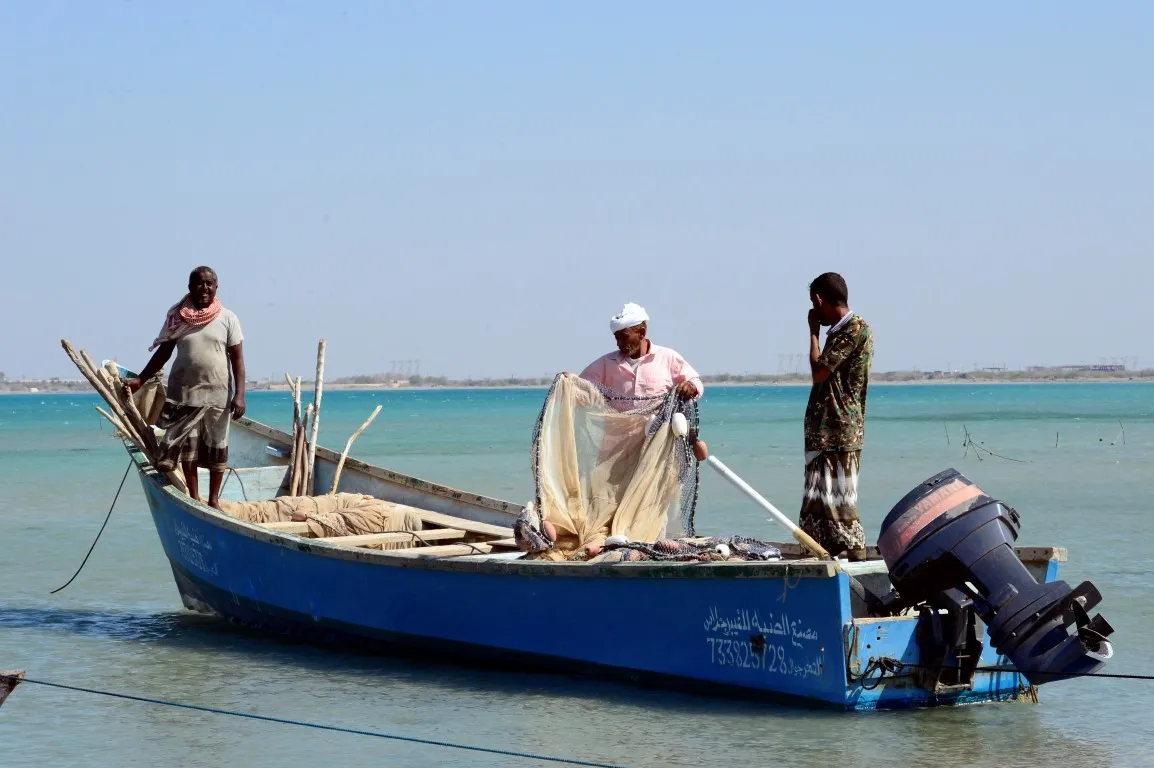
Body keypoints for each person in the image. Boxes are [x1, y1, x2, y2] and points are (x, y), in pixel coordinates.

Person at [127, 267, 246, 509]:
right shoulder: (178, 317)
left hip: (218, 394)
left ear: (216, 287)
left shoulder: (228, 318)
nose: (204, 288)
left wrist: (240, 395)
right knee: (188, 449)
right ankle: (194, 497)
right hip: (184, 394)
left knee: (217, 446)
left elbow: (238, 360)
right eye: (199, 283)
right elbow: (164, 352)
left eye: (209, 284)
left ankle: (213, 501)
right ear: (190, 287)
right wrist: (140, 379)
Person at [801, 272, 873, 561]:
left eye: (814, 304)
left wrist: (813, 332)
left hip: (838, 428)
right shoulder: (845, 331)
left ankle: (853, 548)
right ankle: (824, 547)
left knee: (839, 496)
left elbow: (819, 371)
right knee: (822, 496)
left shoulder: (853, 330)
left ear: (820, 300)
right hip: (829, 428)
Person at [580, 302, 703, 400]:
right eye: (617, 338)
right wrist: (567, 381)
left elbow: (695, 382)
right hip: (617, 432)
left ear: (642, 332)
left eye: (624, 337)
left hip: (659, 432)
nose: (619, 343)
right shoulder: (606, 363)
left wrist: (691, 387)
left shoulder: (667, 357)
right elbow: (580, 388)